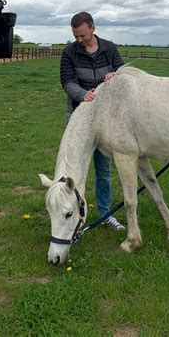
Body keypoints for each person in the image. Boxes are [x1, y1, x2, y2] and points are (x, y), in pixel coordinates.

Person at [60, 12, 125, 230]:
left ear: (93, 29)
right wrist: (82, 94)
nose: (79, 40)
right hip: (79, 115)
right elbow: (67, 81)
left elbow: (121, 71)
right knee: (73, 168)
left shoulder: (109, 48)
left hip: (105, 118)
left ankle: (106, 214)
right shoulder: (69, 52)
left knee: (103, 169)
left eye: (82, 36)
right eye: (75, 36)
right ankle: (68, 210)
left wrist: (114, 75)